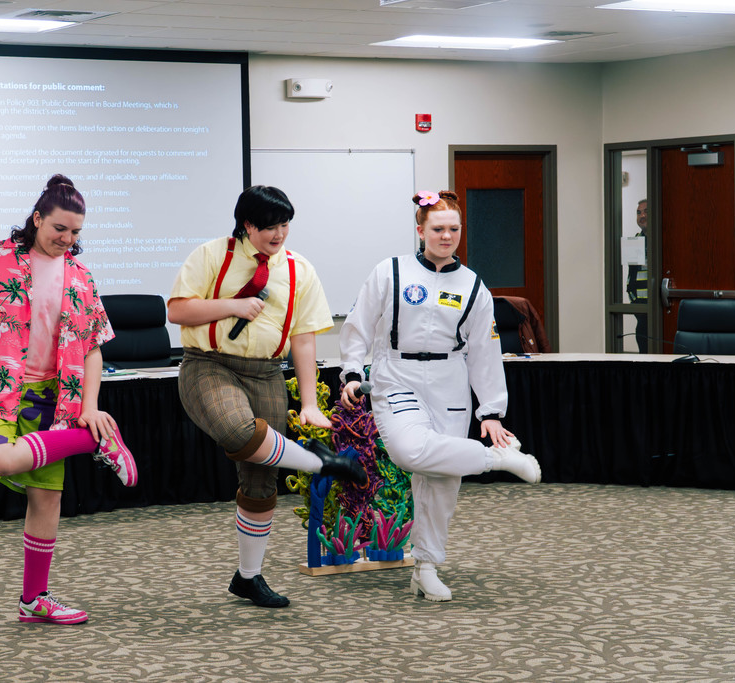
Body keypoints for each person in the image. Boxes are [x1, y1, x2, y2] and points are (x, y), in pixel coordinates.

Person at [0, 174, 137, 625]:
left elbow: (93, 347)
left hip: (55, 398)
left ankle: (33, 600)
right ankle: (92, 441)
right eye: (60, 228)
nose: (67, 239)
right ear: (37, 218)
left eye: (76, 232)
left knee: (46, 497)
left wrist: (90, 408)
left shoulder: (80, 276)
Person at [168, 185, 366, 608]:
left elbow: (305, 340)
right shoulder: (210, 255)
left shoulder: (299, 270)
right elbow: (178, 310)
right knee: (240, 432)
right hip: (209, 364)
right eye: (270, 226)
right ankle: (319, 462)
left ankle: (248, 577)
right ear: (247, 224)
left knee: (260, 478)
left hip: (266, 373)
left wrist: (310, 404)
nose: (279, 234)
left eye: (285, 225)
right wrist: (231, 307)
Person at [338, 189, 541, 603]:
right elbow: (358, 325)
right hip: (397, 374)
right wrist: (352, 373)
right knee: (410, 452)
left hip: (450, 379)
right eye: (437, 229)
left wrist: (491, 411)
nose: (446, 236)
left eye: (454, 229)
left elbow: (484, 350)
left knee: (442, 481)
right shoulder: (389, 272)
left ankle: (426, 567)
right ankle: (495, 461)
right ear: (420, 230)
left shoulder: (473, 286)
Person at [626, 199, 649, 353]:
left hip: (661, 312)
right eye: (638, 212)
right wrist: (635, 305)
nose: (642, 215)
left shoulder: (664, 239)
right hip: (642, 313)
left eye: (646, 211)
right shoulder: (635, 241)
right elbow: (630, 280)